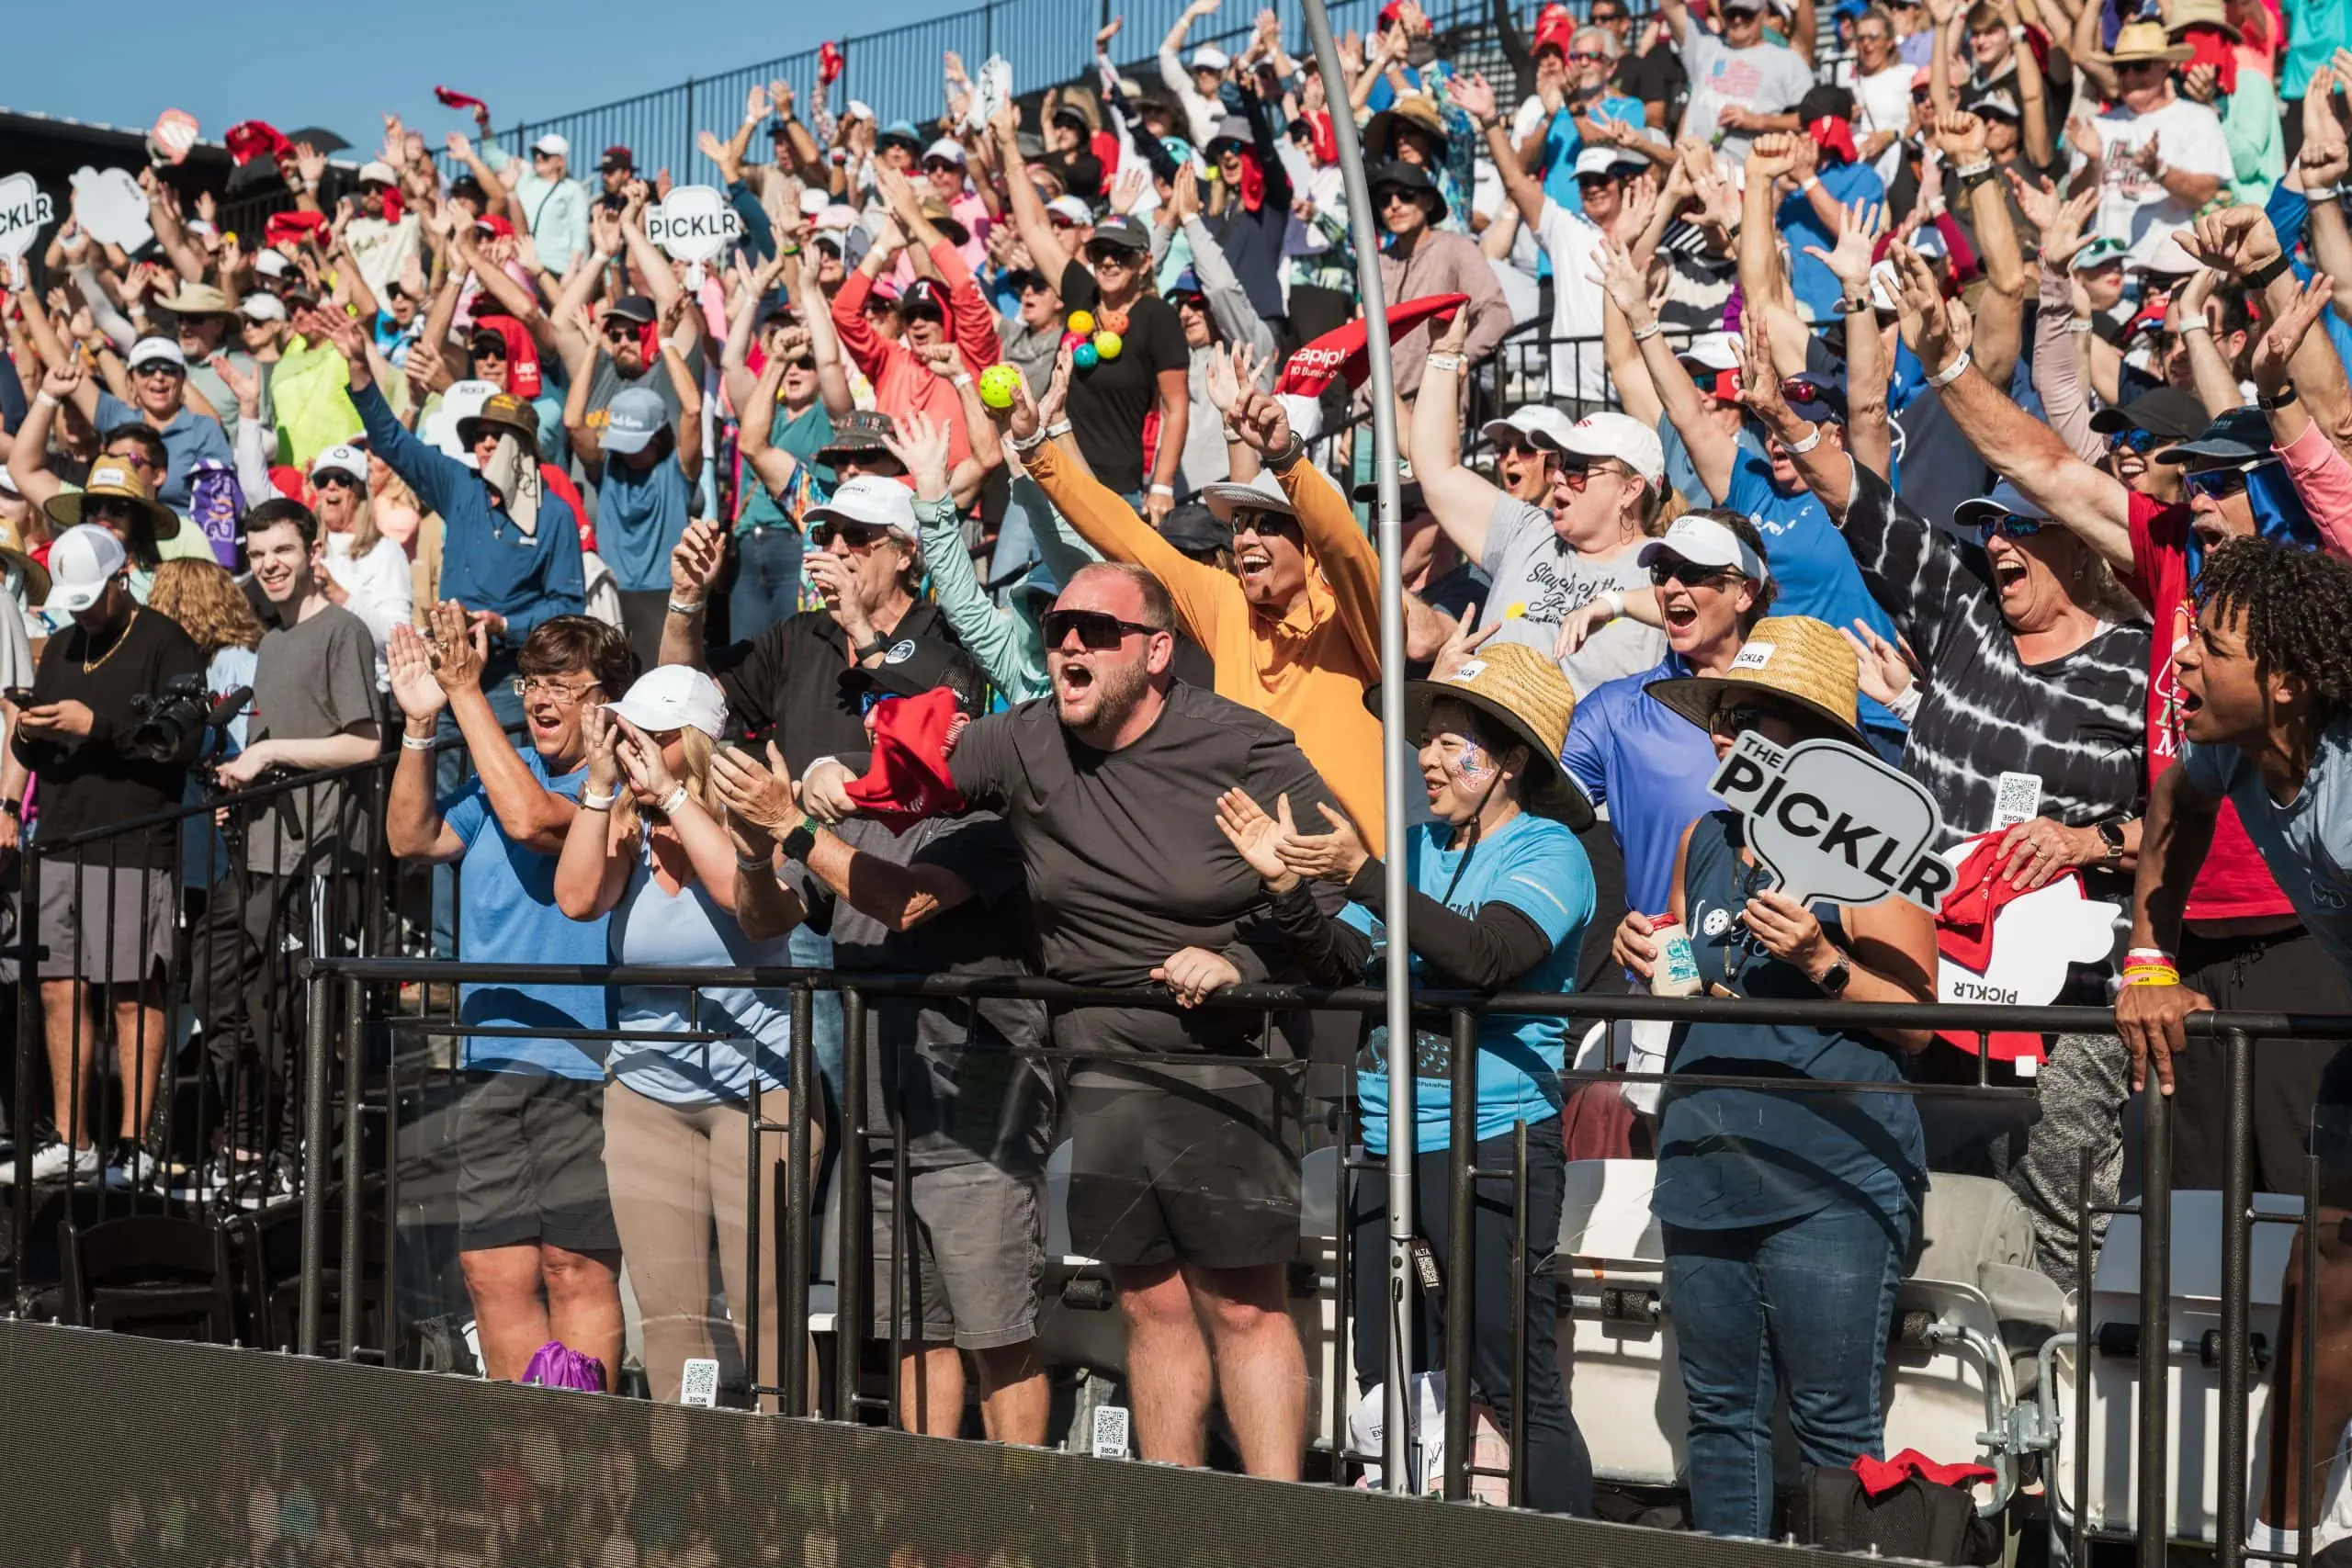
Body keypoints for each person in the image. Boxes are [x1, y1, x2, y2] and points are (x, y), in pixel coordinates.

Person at [798, 559, 1347, 1480]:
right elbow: (914, 776)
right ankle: (1174, 1522)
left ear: (1158, 651)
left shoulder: (1243, 746)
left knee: (1246, 1306)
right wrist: (828, 773)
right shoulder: (1026, 739)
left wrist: (1241, 963)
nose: (1070, 647)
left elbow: (1337, 907)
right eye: (1058, 632)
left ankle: (1276, 1522)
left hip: (1226, 1060)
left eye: (1096, 632)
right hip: (1095, 1061)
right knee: (1148, 1303)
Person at [1228, 641, 1600, 1517]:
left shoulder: (1551, 851)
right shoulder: (1418, 846)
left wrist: (1362, 870)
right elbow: (1346, 958)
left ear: (1509, 762)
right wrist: (1288, 887)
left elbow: (1485, 958)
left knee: (1509, 1382)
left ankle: (1569, 1545)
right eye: (1425, 738)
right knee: (1390, 1377)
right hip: (1383, 1143)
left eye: (1451, 741)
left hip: (1493, 1141)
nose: (1426, 757)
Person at [1614, 615, 1939, 1540]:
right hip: (1704, 1160)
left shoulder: (1876, 837)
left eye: (1752, 713)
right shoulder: (1702, 835)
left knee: (1836, 1426)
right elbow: (1698, 976)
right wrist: (1641, 948)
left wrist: (1821, 962)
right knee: (1719, 1423)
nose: (1723, 727)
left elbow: (1924, 1026)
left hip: (1828, 1172)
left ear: (1818, 738)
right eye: (1721, 709)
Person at [718, 640, 1057, 1446]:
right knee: (910, 1331)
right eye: (871, 706)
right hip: (878, 1126)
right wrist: (753, 847)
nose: (875, 721)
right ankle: (929, 1505)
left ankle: (1024, 1515)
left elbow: (904, 903)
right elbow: (764, 919)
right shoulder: (860, 821)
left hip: (978, 1128)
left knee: (998, 1338)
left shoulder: (994, 820)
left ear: (959, 722)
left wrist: (795, 828)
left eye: (896, 704)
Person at [2115, 538, 2352, 1558]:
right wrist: (2148, 960)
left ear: (2288, 682)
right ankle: (2279, 1542)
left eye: (2209, 648)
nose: (2183, 665)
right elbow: (2174, 805)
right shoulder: (2227, 752)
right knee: (2323, 1280)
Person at [1002, 346, 1392, 849]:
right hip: (1257, 880)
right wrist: (1036, 448)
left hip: (1355, 893)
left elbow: (1344, 546)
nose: (1246, 539)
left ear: (1310, 546)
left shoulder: (1357, 618)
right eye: (1239, 525)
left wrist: (1286, 459)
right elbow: (1128, 536)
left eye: (1268, 524)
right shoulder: (1229, 605)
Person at [386, 608, 635, 1384]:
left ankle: (582, 1453)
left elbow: (531, 820)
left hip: (582, 1061)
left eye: (562, 685)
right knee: (492, 1272)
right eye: (529, 683)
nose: (539, 699)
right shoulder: (499, 772)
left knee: (574, 1268)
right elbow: (412, 839)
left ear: (605, 701)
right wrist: (422, 726)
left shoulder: (615, 786)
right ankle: (523, 1462)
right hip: (488, 1054)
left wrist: (464, 690)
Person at [554, 666, 808, 1410]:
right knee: (669, 1320)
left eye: (648, 735)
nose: (629, 745)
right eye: (622, 729)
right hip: (647, 1091)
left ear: (688, 742)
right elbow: (576, 898)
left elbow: (743, 896)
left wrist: (672, 796)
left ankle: (796, 1491)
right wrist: (600, 786)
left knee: (765, 1314)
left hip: (756, 1090)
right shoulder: (624, 826)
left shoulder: (750, 812)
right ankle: (690, 1491)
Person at [0, 525, 204, 1188]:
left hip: (134, 842)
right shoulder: (60, 644)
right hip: (62, 836)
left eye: (93, 597)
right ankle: (74, 1139)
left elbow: (179, 743)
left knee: (130, 993)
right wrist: (27, 731)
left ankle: (134, 1144)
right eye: (75, 600)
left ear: (123, 578)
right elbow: (39, 753)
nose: (83, 611)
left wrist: (98, 727)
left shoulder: (166, 641)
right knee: (60, 990)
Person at [1409, 309, 1667, 695]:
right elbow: (1436, 471)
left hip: (1577, 753)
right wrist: (1445, 353)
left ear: (1630, 490)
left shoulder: (1664, 566)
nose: (1560, 475)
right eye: (1561, 463)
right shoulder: (1529, 530)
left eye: (1578, 467)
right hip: (1485, 744)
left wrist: (1613, 604)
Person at [993, 109, 1193, 522]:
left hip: (1113, 492)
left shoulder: (1157, 316)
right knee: (1016, 586)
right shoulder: (1081, 292)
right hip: (1048, 475)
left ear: (1144, 262)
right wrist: (1010, 143)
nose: (1108, 261)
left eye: (1120, 253)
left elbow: (1175, 407)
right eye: (1101, 251)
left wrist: (1162, 485)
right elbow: (1033, 227)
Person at [2075, 21, 2231, 265]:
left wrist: (2158, 171)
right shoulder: (2097, 125)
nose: (2129, 76)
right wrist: (2093, 163)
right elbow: (2077, 202)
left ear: (2165, 67)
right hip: (2106, 275)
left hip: (2172, 273)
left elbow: (2205, 191)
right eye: (2122, 68)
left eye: (2140, 66)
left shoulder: (2198, 119)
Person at [307, 442, 415, 674]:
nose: (331, 486)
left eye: (343, 479)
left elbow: (400, 640)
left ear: (361, 492)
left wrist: (341, 596)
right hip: (313, 685)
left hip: (369, 689)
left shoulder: (386, 552)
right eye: (323, 480)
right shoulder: (306, 548)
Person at [1663, 0, 1815, 160]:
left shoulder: (1787, 60)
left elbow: (1809, 120)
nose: (1738, 19)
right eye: (1731, 13)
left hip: (1747, 177)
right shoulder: (1705, 47)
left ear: (1763, 14)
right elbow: (1669, 5)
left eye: (1746, 13)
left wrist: (1757, 120)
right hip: (1692, 172)